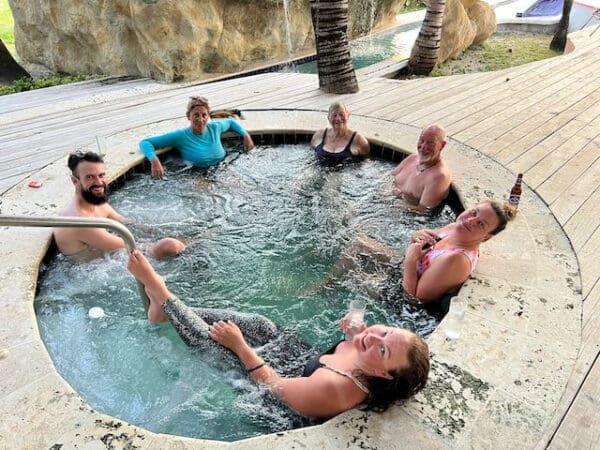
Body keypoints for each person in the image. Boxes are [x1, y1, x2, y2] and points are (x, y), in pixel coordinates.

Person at [127, 250, 430, 419]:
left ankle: (160, 292)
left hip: (272, 382)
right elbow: (360, 341)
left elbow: (275, 386)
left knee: (219, 345)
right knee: (259, 322)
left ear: (384, 374)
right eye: (385, 332)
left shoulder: (335, 390)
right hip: (292, 352)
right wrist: (356, 329)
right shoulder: (368, 349)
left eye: (383, 350)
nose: (374, 339)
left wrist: (240, 346)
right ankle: (166, 309)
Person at [338, 200, 517, 304]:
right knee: (358, 243)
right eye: (474, 213)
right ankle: (322, 284)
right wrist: (416, 237)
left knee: (355, 277)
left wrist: (409, 260)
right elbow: (422, 248)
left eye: (481, 224)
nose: (470, 220)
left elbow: (414, 299)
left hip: (402, 296)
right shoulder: (455, 227)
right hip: (406, 269)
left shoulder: (457, 260)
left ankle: (329, 293)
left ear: (486, 237)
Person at [54, 151, 185, 261]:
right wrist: (183, 244)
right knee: (170, 246)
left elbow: (128, 224)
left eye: (101, 175)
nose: (99, 182)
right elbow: (132, 246)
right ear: (75, 181)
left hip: (108, 257)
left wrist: (161, 232)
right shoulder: (80, 221)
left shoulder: (94, 201)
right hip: (94, 272)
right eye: (90, 177)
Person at [139, 96, 255, 178]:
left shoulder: (214, 128)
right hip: (197, 174)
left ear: (208, 116)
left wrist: (246, 136)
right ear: (188, 116)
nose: (201, 119)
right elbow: (145, 142)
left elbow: (231, 122)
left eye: (204, 115)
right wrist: (155, 161)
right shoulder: (180, 136)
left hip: (223, 167)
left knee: (244, 190)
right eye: (196, 115)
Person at [390, 124, 451, 212]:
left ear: (442, 145)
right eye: (421, 140)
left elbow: (423, 211)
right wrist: (387, 192)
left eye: (430, 143)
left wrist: (394, 202)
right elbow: (389, 177)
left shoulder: (439, 177)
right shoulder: (413, 158)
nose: (423, 147)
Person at [310, 102, 370, 166]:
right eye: (334, 115)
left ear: (348, 116)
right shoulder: (319, 135)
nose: (338, 119)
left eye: (341, 115)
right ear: (328, 118)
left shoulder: (358, 140)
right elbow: (310, 155)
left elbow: (366, 163)